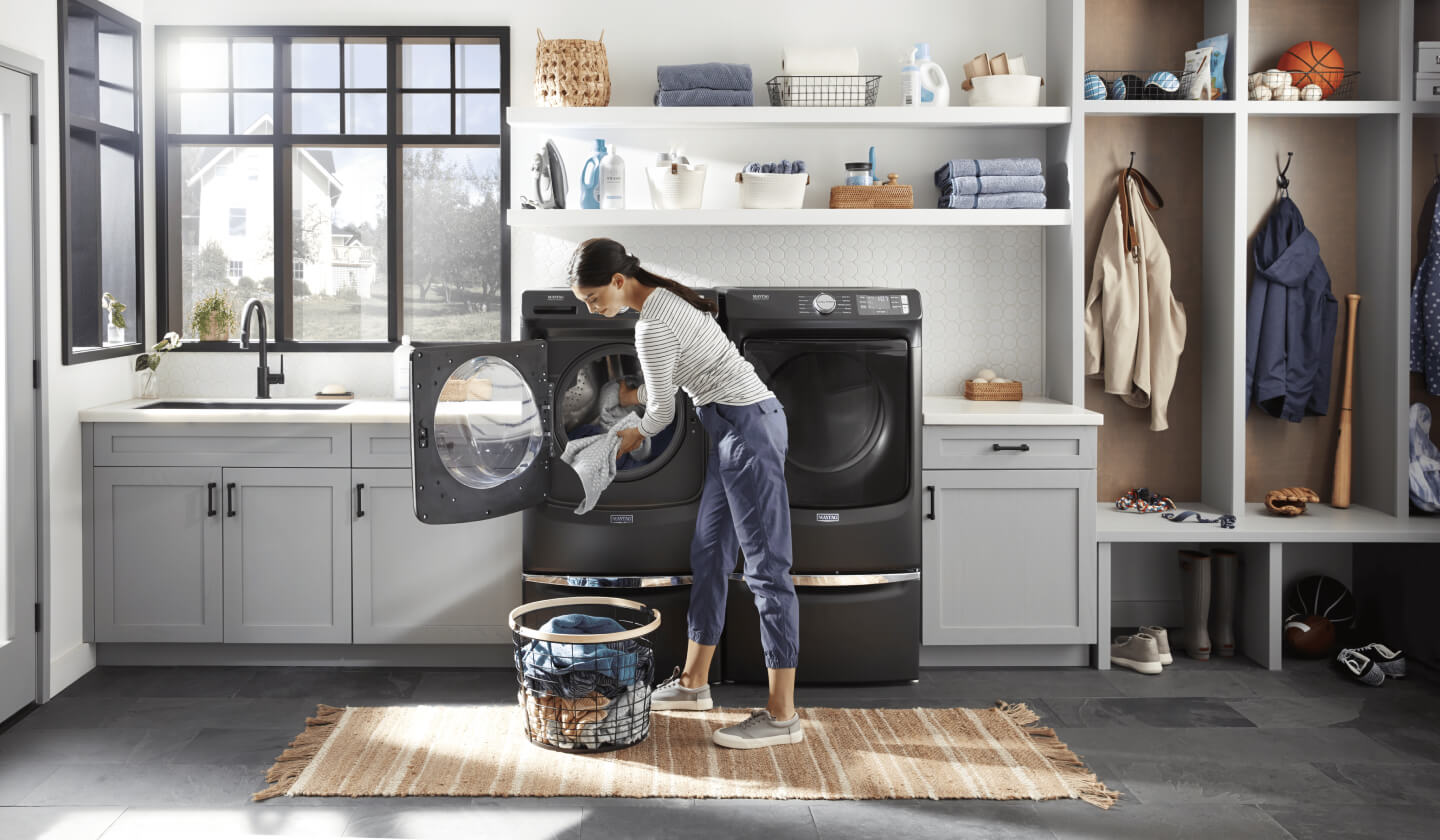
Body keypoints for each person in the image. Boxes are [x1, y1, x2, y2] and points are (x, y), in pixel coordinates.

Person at [568, 237, 802, 750]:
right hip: (730, 426)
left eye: (592, 299)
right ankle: (695, 684)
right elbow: (672, 381)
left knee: (766, 569)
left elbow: (662, 416)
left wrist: (625, 435)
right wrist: (636, 400)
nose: (591, 308)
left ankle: (783, 716)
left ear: (617, 281)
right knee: (711, 551)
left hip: (749, 430)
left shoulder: (651, 324)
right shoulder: (663, 300)